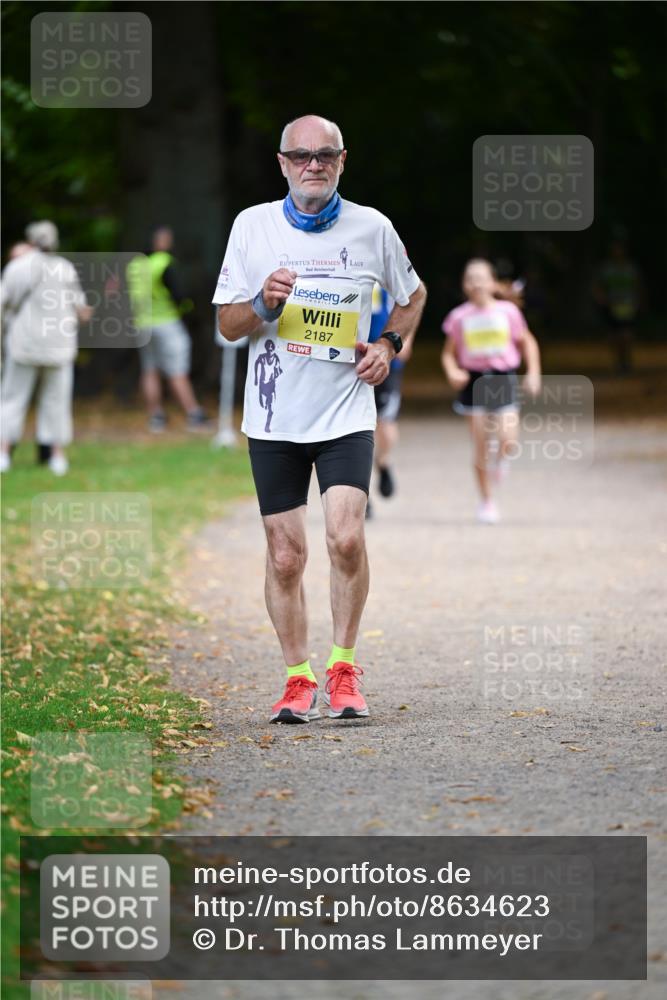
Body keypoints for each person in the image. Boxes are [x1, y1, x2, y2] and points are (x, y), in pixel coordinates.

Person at [213, 114, 426, 723]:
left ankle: (343, 665)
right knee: (285, 555)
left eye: (325, 154)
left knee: (347, 538)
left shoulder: (371, 228)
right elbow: (227, 326)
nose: (314, 164)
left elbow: (413, 296)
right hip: (275, 417)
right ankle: (297, 677)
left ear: (342, 161)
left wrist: (388, 344)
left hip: (345, 413)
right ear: (281, 163)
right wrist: (261, 303)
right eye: (301, 155)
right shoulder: (252, 226)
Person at [441, 258, 541, 524]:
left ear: (492, 282)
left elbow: (527, 343)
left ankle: (502, 460)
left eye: (481, 278)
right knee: (480, 447)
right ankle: (487, 502)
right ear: (464, 285)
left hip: (502, 377)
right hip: (474, 382)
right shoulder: (459, 317)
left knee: (509, 438)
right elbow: (448, 354)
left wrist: (533, 372)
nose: (476, 284)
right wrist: (452, 370)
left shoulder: (508, 312)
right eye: (470, 279)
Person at [0, 221, 92, 475]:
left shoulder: (17, 267)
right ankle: (56, 457)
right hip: (58, 346)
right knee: (56, 402)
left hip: (23, 344)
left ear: (30, 241)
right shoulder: (64, 268)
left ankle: (3, 453)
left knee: (12, 398)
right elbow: (81, 310)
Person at [126, 226, 209, 432]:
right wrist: (188, 308)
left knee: (150, 369)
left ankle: (156, 417)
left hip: (142, 324)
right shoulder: (164, 263)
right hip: (166, 322)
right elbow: (179, 294)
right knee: (177, 369)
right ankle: (193, 413)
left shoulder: (135, 264)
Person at [365, 282, 411, 517]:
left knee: (385, 425)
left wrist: (405, 340)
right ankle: (362, 496)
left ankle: (383, 462)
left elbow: (410, 302)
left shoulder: (387, 268)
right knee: (357, 429)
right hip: (352, 357)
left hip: (387, 358)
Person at [592, 238, 643, 374]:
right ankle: (619, 362)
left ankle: (626, 360)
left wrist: (638, 301)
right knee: (614, 337)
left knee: (627, 335)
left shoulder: (631, 269)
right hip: (612, 307)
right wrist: (601, 298)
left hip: (628, 307)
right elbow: (598, 286)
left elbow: (638, 286)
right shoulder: (607, 269)